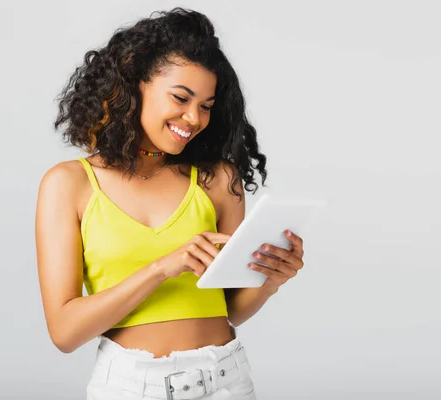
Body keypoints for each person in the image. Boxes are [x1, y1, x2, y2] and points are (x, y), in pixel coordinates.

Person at [35, 7, 305, 399]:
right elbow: (64, 332)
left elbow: (229, 309)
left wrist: (270, 280)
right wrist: (162, 268)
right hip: (129, 384)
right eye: (181, 97)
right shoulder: (70, 184)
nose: (194, 118)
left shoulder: (218, 180)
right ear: (133, 86)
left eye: (207, 106)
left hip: (225, 380)